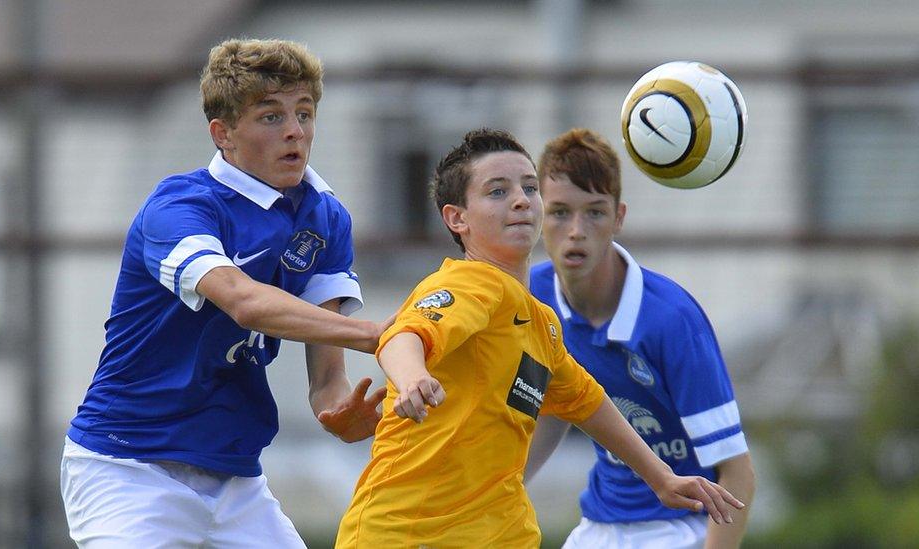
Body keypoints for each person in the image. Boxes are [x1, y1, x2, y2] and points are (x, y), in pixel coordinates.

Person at [335, 128, 744, 548]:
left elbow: (587, 401)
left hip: (500, 533)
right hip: (406, 534)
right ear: (458, 218)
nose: (520, 199)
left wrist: (662, 479)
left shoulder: (541, 323)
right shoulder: (469, 285)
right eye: (497, 191)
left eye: (530, 188)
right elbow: (404, 335)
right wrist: (412, 377)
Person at [60, 38, 388, 548]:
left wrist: (341, 413)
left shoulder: (325, 218)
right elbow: (245, 302)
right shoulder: (179, 206)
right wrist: (377, 336)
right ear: (223, 134)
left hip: (236, 480)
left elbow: (327, 381)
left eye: (304, 113)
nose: (295, 131)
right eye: (270, 116)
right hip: (127, 466)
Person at [525, 128, 756, 549]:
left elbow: (738, 472)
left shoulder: (671, 320)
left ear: (619, 217)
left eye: (594, 212)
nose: (576, 230)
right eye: (560, 212)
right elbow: (556, 406)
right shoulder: (532, 297)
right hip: (599, 526)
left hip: (684, 528)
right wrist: (497, 488)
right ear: (540, 214)